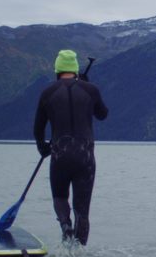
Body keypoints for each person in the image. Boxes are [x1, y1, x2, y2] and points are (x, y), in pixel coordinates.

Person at [33, 50, 108, 245]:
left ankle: (65, 225)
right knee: (82, 211)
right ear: (75, 70)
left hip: (60, 154)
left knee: (60, 197)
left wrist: (42, 148)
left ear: (57, 70)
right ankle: (80, 251)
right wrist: (89, 88)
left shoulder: (47, 93)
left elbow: (38, 128)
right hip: (85, 157)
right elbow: (102, 114)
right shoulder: (90, 90)